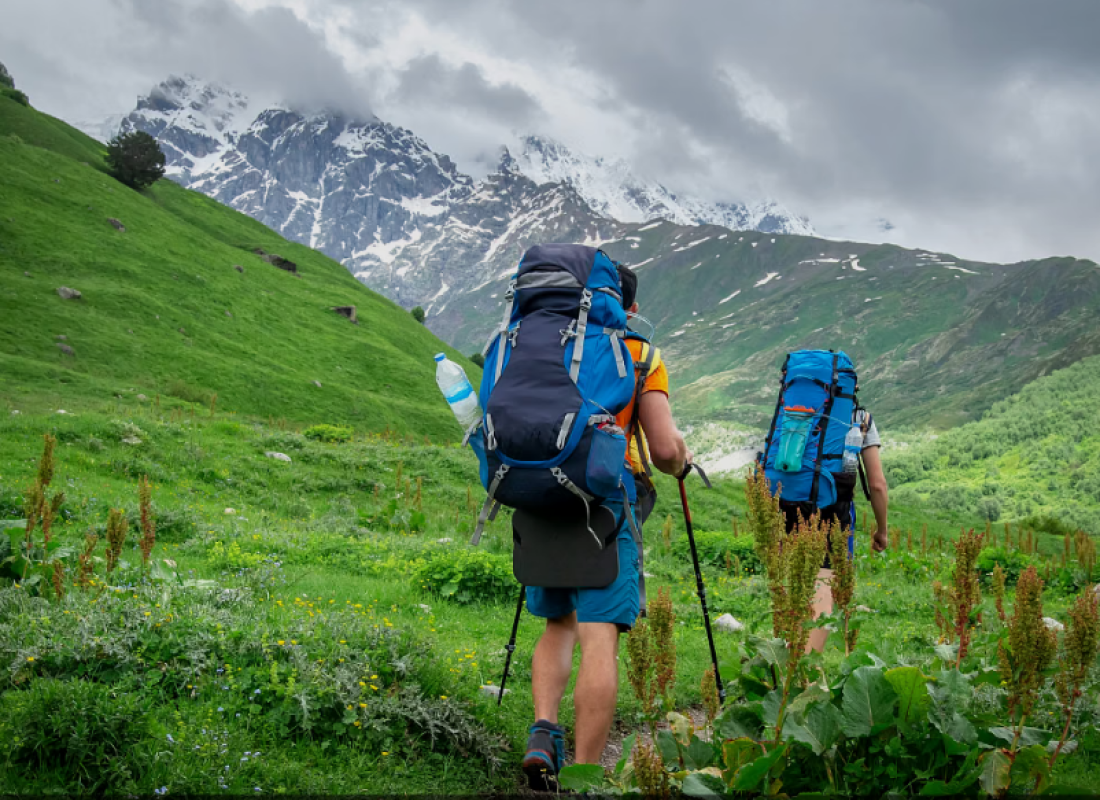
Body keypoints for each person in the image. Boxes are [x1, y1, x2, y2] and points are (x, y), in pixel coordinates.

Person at [521, 264, 691, 789]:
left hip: (541, 494)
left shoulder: (539, 343)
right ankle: (584, 776)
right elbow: (662, 450)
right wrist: (682, 459)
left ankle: (543, 733)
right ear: (628, 309)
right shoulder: (640, 355)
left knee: (558, 624)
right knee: (599, 637)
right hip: (607, 501)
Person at [779, 407, 889, 652]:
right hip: (832, 510)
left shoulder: (793, 406)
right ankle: (805, 667)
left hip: (788, 503)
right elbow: (877, 484)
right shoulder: (860, 418)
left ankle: (791, 657)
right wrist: (882, 530)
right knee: (822, 594)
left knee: (798, 588)